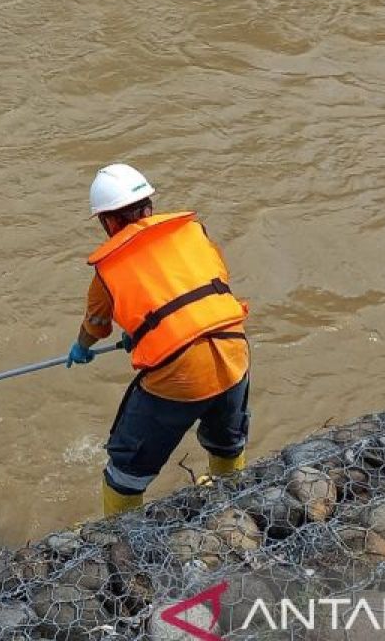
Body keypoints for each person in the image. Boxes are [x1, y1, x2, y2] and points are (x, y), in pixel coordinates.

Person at [66, 164, 251, 516]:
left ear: (107, 221)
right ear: (148, 206)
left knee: (124, 472)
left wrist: (82, 348)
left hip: (179, 373)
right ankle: (231, 503)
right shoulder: (193, 233)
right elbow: (203, 288)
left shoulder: (108, 268)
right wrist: (148, 329)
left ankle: (118, 536)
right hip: (233, 350)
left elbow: (96, 325)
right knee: (226, 443)